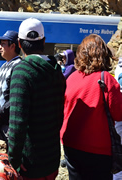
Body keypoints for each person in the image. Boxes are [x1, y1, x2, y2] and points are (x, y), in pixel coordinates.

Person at [8, 18, 66, 180]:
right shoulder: (56, 71)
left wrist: (14, 159)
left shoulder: (22, 71)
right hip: (51, 158)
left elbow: (17, 123)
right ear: (44, 41)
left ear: (19, 44)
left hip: (31, 164)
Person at [60, 34, 122, 180]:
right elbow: (119, 114)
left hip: (71, 145)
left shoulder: (72, 78)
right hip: (98, 149)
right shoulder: (106, 79)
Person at [0, 30, 21, 147]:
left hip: (9, 123)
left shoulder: (19, 66)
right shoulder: (4, 66)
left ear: (13, 46)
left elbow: (18, 97)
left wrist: (1, 111)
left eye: (3, 44)